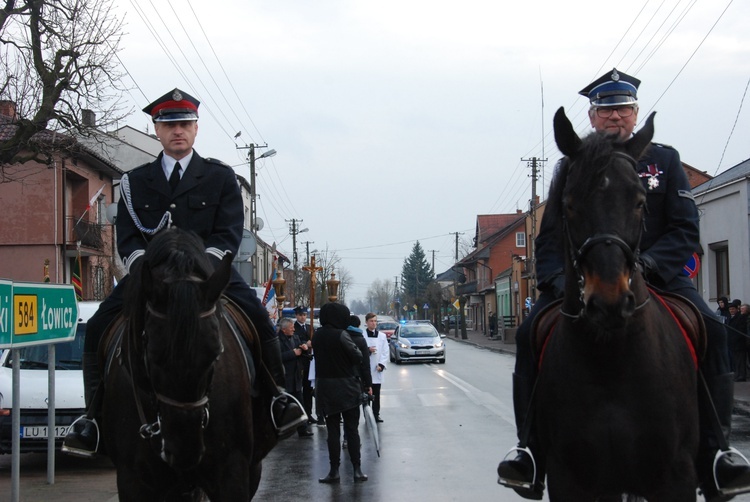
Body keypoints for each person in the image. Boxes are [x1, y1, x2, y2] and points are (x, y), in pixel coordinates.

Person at [497, 69, 750, 501]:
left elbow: (685, 230)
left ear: (635, 115)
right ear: (593, 117)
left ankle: (716, 454)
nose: (616, 116)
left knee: (712, 328)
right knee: (528, 333)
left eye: (624, 108)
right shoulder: (569, 167)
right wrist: (558, 281)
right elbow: (552, 236)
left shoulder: (665, 161)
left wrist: (648, 266)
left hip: (660, 281)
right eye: (607, 109)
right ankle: (530, 452)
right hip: (583, 283)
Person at [62, 88, 306, 457]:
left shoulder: (220, 177)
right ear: (157, 130)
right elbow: (127, 238)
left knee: (258, 317)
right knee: (97, 328)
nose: (178, 131)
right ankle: (92, 419)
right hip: (151, 278)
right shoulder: (134, 182)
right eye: (169, 125)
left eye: (185, 124)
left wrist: (200, 266)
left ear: (196, 129)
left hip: (206, 275)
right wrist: (145, 270)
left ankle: (278, 399)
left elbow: (227, 233)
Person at [314, 303, 370, 484]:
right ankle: (357, 470)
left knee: (332, 432)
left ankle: (334, 471)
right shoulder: (342, 334)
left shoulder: (317, 335)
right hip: (347, 387)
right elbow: (357, 357)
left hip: (325, 389)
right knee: (352, 430)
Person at [278, 318, 314, 437]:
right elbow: (277, 357)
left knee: (299, 403)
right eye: (291, 327)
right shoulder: (277, 340)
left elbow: (301, 353)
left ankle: (302, 428)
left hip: (296, 376)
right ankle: (282, 428)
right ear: (284, 330)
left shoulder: (295, 337)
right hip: (284, 377)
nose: (294, 329)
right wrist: (292, 353)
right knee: (284, 405)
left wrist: (304, 349)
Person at [343, 315, 374, 449]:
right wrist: (369, 384)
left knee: (345, 411)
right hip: (358, 380)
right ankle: (353, 439)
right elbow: (365, 365)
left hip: (343, 379)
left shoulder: (342, 338)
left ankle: (345, 438)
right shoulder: (361, 340)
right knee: (354, 413)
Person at [293, 305, 319, 425]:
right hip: (300, 362)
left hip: (310, 362)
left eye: (304, 315)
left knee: (308, 390)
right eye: (300, 315)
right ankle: (299, 414)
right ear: (296, 316)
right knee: (299, 390)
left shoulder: (310, 328)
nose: (303, 317)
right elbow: (294, 342)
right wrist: (305, 344)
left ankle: (308, 414)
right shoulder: (294, 328)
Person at [364, 313, 389, 422]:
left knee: (376, 393)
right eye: (371, 321)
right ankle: (367, 415)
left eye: (375, 321)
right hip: (366, 368)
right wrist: (368, 351)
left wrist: (382, 364)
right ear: (367, 322)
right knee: (366, 394)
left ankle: (376, 413)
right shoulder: (362, 335)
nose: (374, 323)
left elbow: (385, 351)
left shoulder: (382, 336)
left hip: (377, 368)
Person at [727, 300, 748, 382]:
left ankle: (741, 375)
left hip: (739, 343)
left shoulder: (740, 317)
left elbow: (741, 330)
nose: (731, 311)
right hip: (733, 343)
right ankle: (737, 374)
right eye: (730, 309)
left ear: (736, 309)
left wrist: (734, 338)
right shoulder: (730, 318)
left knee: (740, 360)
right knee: (736, 360)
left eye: (732, 309)